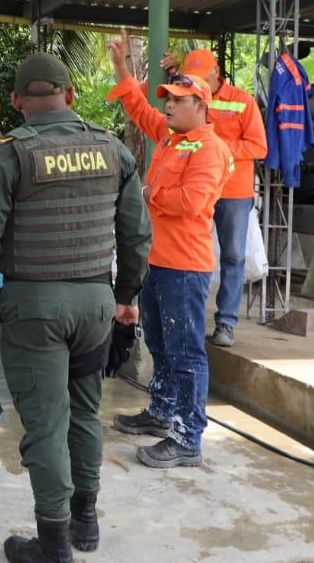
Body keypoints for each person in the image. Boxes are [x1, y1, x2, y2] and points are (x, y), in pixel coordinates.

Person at [0, 52, 153, 563]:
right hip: (95, 308)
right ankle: (86, 523)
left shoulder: (9, 156)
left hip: (35, 311)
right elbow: (137, 236)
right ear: (70, 96)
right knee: (85, 411)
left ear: (18, 100)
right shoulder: (112, 150)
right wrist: (126, 299)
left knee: (46, 422)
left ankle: (54, 547)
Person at [106, 31, 234, 469]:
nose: (169, 106)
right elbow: (138, 107)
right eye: (169, 99)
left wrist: (146, 191)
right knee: (159, 342)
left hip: (185, 267)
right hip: (158, 262)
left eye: (178, 100)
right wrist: (123, 67)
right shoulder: (170, 137)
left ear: (201, 105)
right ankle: (161, 413)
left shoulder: (209, 148)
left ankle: (187, 436)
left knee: (185, 353)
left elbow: (193, 202)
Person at [157, 49, 266, 347]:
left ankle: (226, 324)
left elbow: (259, 147)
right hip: (197, 191)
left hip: (233, 192)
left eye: (198, 77)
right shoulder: (187, 95)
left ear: (215, 73)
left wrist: (217, 147)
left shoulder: (243, 101)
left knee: (232, 257)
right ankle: (188, 319)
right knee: (188, 253)